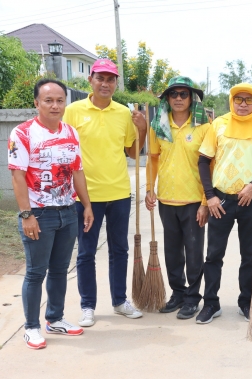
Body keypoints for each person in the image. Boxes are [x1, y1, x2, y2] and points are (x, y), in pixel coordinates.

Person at [8, 79, 94, 349]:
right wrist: (26, 215)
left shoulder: (71, 132)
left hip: (67, 212)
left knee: (59, 270)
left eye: (59, 100)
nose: (55, 105)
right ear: (37, 103)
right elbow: (17, 176)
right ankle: (31, 327)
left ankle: (55, 318)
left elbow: (77, 171)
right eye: (48, 100)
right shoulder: (22, 133)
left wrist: (86, 205)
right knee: (36, 272)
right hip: (39, 214)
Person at [63, 59, 147, 327]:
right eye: (100, 78)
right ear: (90, 80)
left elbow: (132, 152)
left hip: (119, 192)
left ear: (115, 84)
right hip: (86, 196)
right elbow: (64, 149)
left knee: (119, 249)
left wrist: (142, 129)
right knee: (86, 252)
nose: (105, 84)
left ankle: (120, 301)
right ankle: (87, 305)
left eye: (111, 79)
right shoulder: (73, 111)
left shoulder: (123, 113)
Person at [196, 83, 252, 324]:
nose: (243, 104)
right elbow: (204, 161)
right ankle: (211, 303)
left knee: (249, 255)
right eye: (238, 99)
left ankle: (246, 302)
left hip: (249, 200)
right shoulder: (218, 125)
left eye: (248, 100)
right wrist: (210, 196)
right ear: (231, 101)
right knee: (214, 254)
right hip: (220, 199)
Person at [145, 76, 211, 319]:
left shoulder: (204, 127)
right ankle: (178, 294)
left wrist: (205, 201)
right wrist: (150, 188)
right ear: (167, 99)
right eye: (174, 94)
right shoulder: (158, 126)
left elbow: (210, 165)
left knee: (194, 253)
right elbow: (153, 160)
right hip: (166, 199)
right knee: (172, 252)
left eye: (184, 94)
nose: (179, 98)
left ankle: (193, 298)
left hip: (194, 201)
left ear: (191, 98)